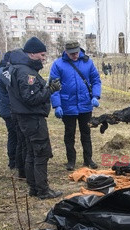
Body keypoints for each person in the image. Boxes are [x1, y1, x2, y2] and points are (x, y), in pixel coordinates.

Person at [7, 37, 62, 199]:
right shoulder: (26, 72)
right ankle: (42, 190)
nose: (44, 59)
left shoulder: (19, 68)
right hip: (32, 119)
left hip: (25, 118)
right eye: (42, 55)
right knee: (41, 153)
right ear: (32, 54)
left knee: (31, 152)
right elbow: (30, 98)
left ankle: (34, 188)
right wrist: (50, 90)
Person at [50, 40, 102, 171]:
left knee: (86, 133)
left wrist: (95, 96)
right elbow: (54, 86)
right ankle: (71, 161)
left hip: (85, 105)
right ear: (66, 52)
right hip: (67, 106)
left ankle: (88, 159)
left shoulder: (87, 62)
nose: (75, 56)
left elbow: (96, 80)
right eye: (72, 53)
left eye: (77, 53)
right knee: (69, 134)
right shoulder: (58, 65)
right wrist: (57, 105)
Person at [0, 51, 24, 177]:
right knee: (16, 136)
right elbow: (13, 90)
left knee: (12, 135)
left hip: (4, 108)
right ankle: (15, 161)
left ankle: (13, 161)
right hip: (10, 109)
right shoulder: (4, 73)